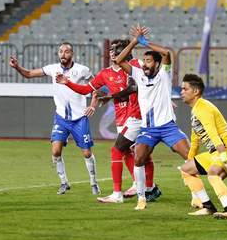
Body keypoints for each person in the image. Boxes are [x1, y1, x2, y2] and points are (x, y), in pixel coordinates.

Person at [55, 39, 160, 204]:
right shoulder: (105, 73)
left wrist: (110, 96)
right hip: (121, 117)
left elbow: (139, 86)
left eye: (115, 49)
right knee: (130, 152)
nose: (112, 52)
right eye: (110, 50)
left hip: (136, 115)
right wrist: (67, 82)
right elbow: (86, 89)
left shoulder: (134, 65)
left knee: (126, 151)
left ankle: (130, 190)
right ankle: (148, 187)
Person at [9, 42, 100, 195]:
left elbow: (96, 87)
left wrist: (92, 105)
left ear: (72, 54)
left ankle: (93, 182)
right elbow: (29, 74)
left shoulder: (82, 70)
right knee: (56, 151)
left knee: (86, 153)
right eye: (60, 51)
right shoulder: (52, 69)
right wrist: (17, 67)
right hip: (61, 118)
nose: (63, 54)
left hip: (79, 118)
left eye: (67, 51)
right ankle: (64, 183)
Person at [115, 25, 190, 211]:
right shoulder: (138, 74)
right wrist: (134, 42)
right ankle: (142, 198)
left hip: (167, 126)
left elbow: (166, 53)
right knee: (139, 158)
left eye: (148, 61)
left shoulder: (164, 74)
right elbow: (119, 60)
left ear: (157, 64)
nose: (144, 64)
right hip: (148, 129)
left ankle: (198, 196)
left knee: (190, 157)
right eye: (143, 61)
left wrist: (145, 42)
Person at [179, 73, 227, 219]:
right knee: (186, 170)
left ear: (195, 91)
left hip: (226, 149)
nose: (181, 92)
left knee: (213, 173)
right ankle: (208, 207)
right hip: (214, 152)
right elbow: (195, 140)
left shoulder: (203, 108)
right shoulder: (196, 109)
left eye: (185, 89)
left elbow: (212, 132)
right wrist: (190, 159)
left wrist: (222, 153)